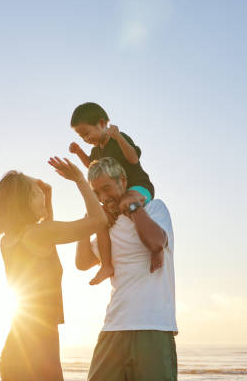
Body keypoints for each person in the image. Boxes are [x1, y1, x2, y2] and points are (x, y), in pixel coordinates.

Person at [0, 157, 107, 381]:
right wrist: (80, 179)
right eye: (37, 192)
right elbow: (98, 220)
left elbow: (47, 244)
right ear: (24, 201)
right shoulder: (39, 234)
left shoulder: (10, 240)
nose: (42, 194)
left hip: (18, 345)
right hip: (39, 347)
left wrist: (48, 199)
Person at [75, 157, 178, 381]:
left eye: (106, 188)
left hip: (154, 327)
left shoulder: (155, 208)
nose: (103, 198)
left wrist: (132, 207)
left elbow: (156, 242)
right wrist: (89, 221)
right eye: (97, 193)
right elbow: (83, 263)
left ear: (122, 180)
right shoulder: (108, 227)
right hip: (113, 328)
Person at [68, 102, 161, 285]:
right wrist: (79, 152)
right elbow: (93, 167)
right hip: (116, 197)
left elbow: (133, 158)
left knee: (127, 201)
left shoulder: (117, 138)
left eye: (87, 133)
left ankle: (156, 250)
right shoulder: (96, 150)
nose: (86, 139)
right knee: (100, 218)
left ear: (102, 123)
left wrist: (118, 137)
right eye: (81, 137)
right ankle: (106, 265)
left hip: (137, 187)